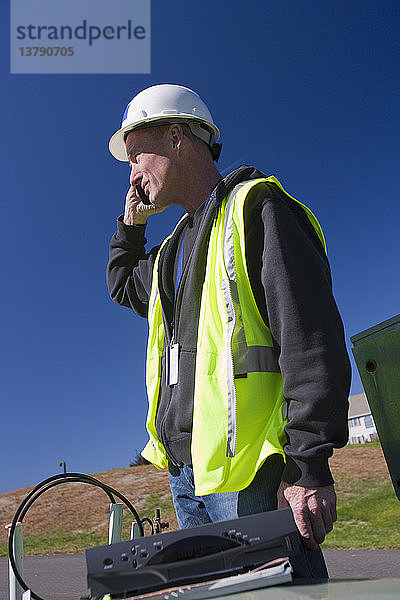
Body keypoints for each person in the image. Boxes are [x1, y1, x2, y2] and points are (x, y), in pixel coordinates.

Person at [106, 84, 351, 579]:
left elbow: (311, 340)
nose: (131, 175)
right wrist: (130, 226)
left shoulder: (256, 208)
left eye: (136, 158)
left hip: (248, 476)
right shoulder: (172, 251)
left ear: (177, 136)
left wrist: (308, 466)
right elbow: (121, 285)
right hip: (186, 471)